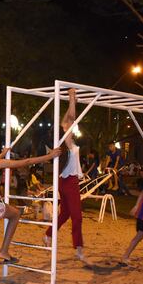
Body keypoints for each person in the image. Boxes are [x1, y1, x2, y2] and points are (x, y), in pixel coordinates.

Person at [0, 139, 61, 284]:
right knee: (15, 214)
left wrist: (3, 152)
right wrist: (48, 156)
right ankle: (3, 251)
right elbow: (26, 161)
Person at [42, 89, 90, 264]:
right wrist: (71, 100)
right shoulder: (65, 142)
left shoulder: (69, 143)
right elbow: (70, 119)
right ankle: (79, 249)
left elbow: (69, 120)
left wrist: (73, 101)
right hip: (69, 182)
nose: (68, 126)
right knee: (77, 216)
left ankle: (48, 234)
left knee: (66, 214)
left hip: (66, 181)